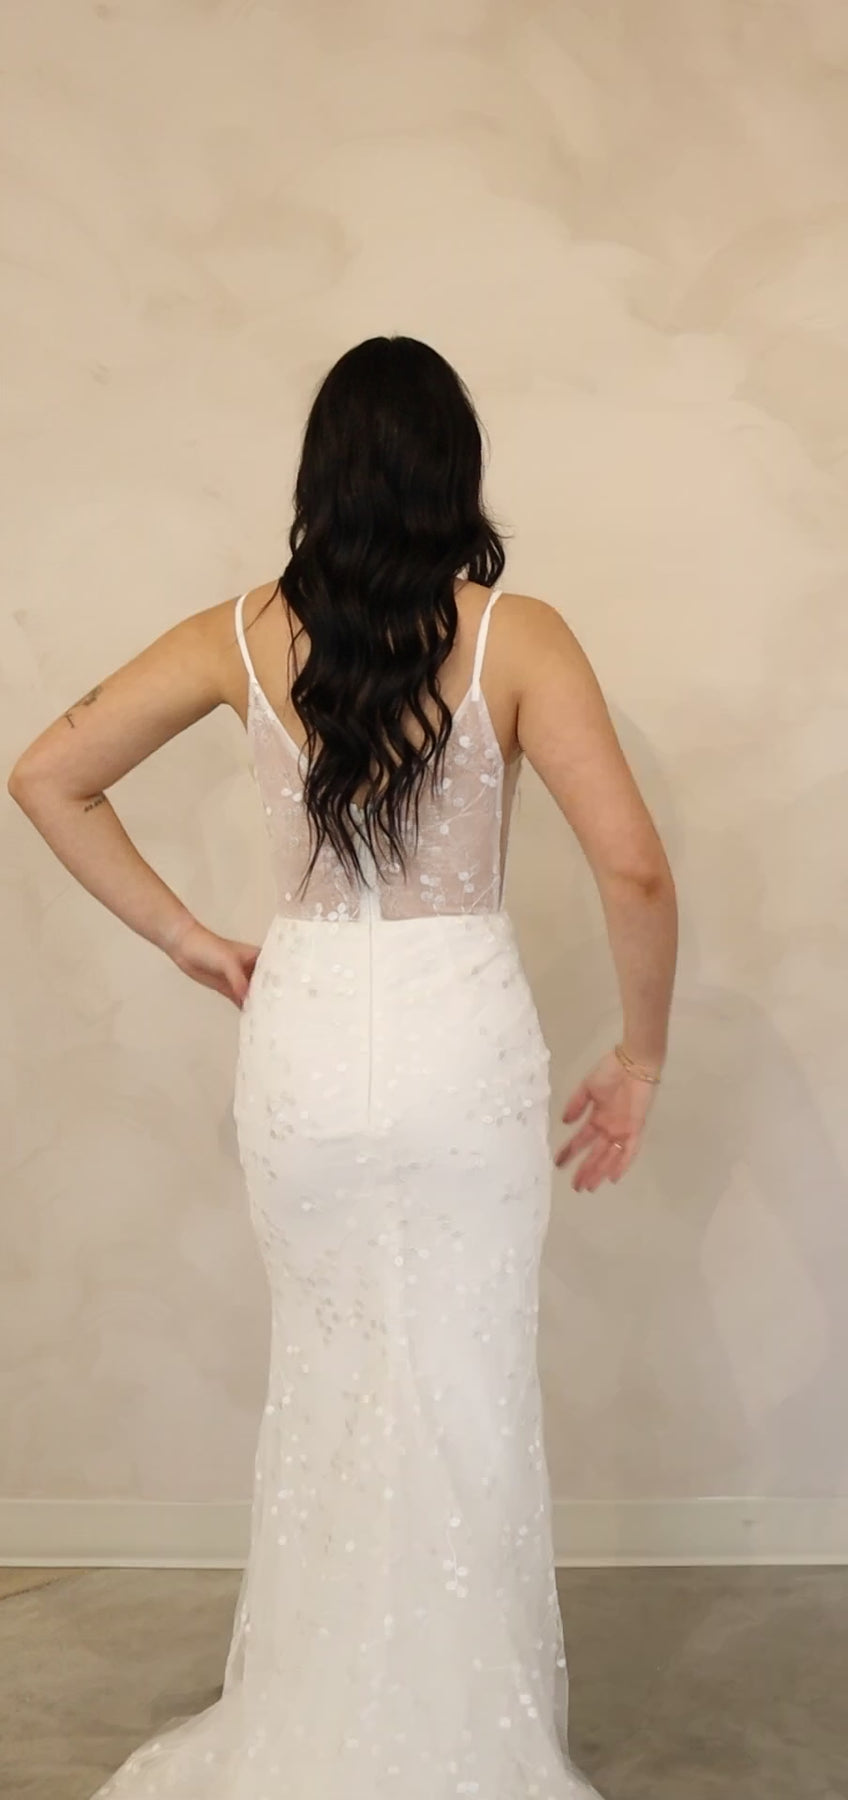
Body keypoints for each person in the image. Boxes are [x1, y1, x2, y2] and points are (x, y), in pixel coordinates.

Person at [7, 335, 679, 1798]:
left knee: (330, 1386)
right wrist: (639, 1057)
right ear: (455, 472)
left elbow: (46, 773)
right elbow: (632, 866)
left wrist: (190, 939)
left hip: (304, 1043)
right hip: (460, 1050)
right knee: (461, 1388)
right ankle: (456, 1740)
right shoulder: (518, 637)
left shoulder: (237, 636)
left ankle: (316, 1729)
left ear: (320, 473)